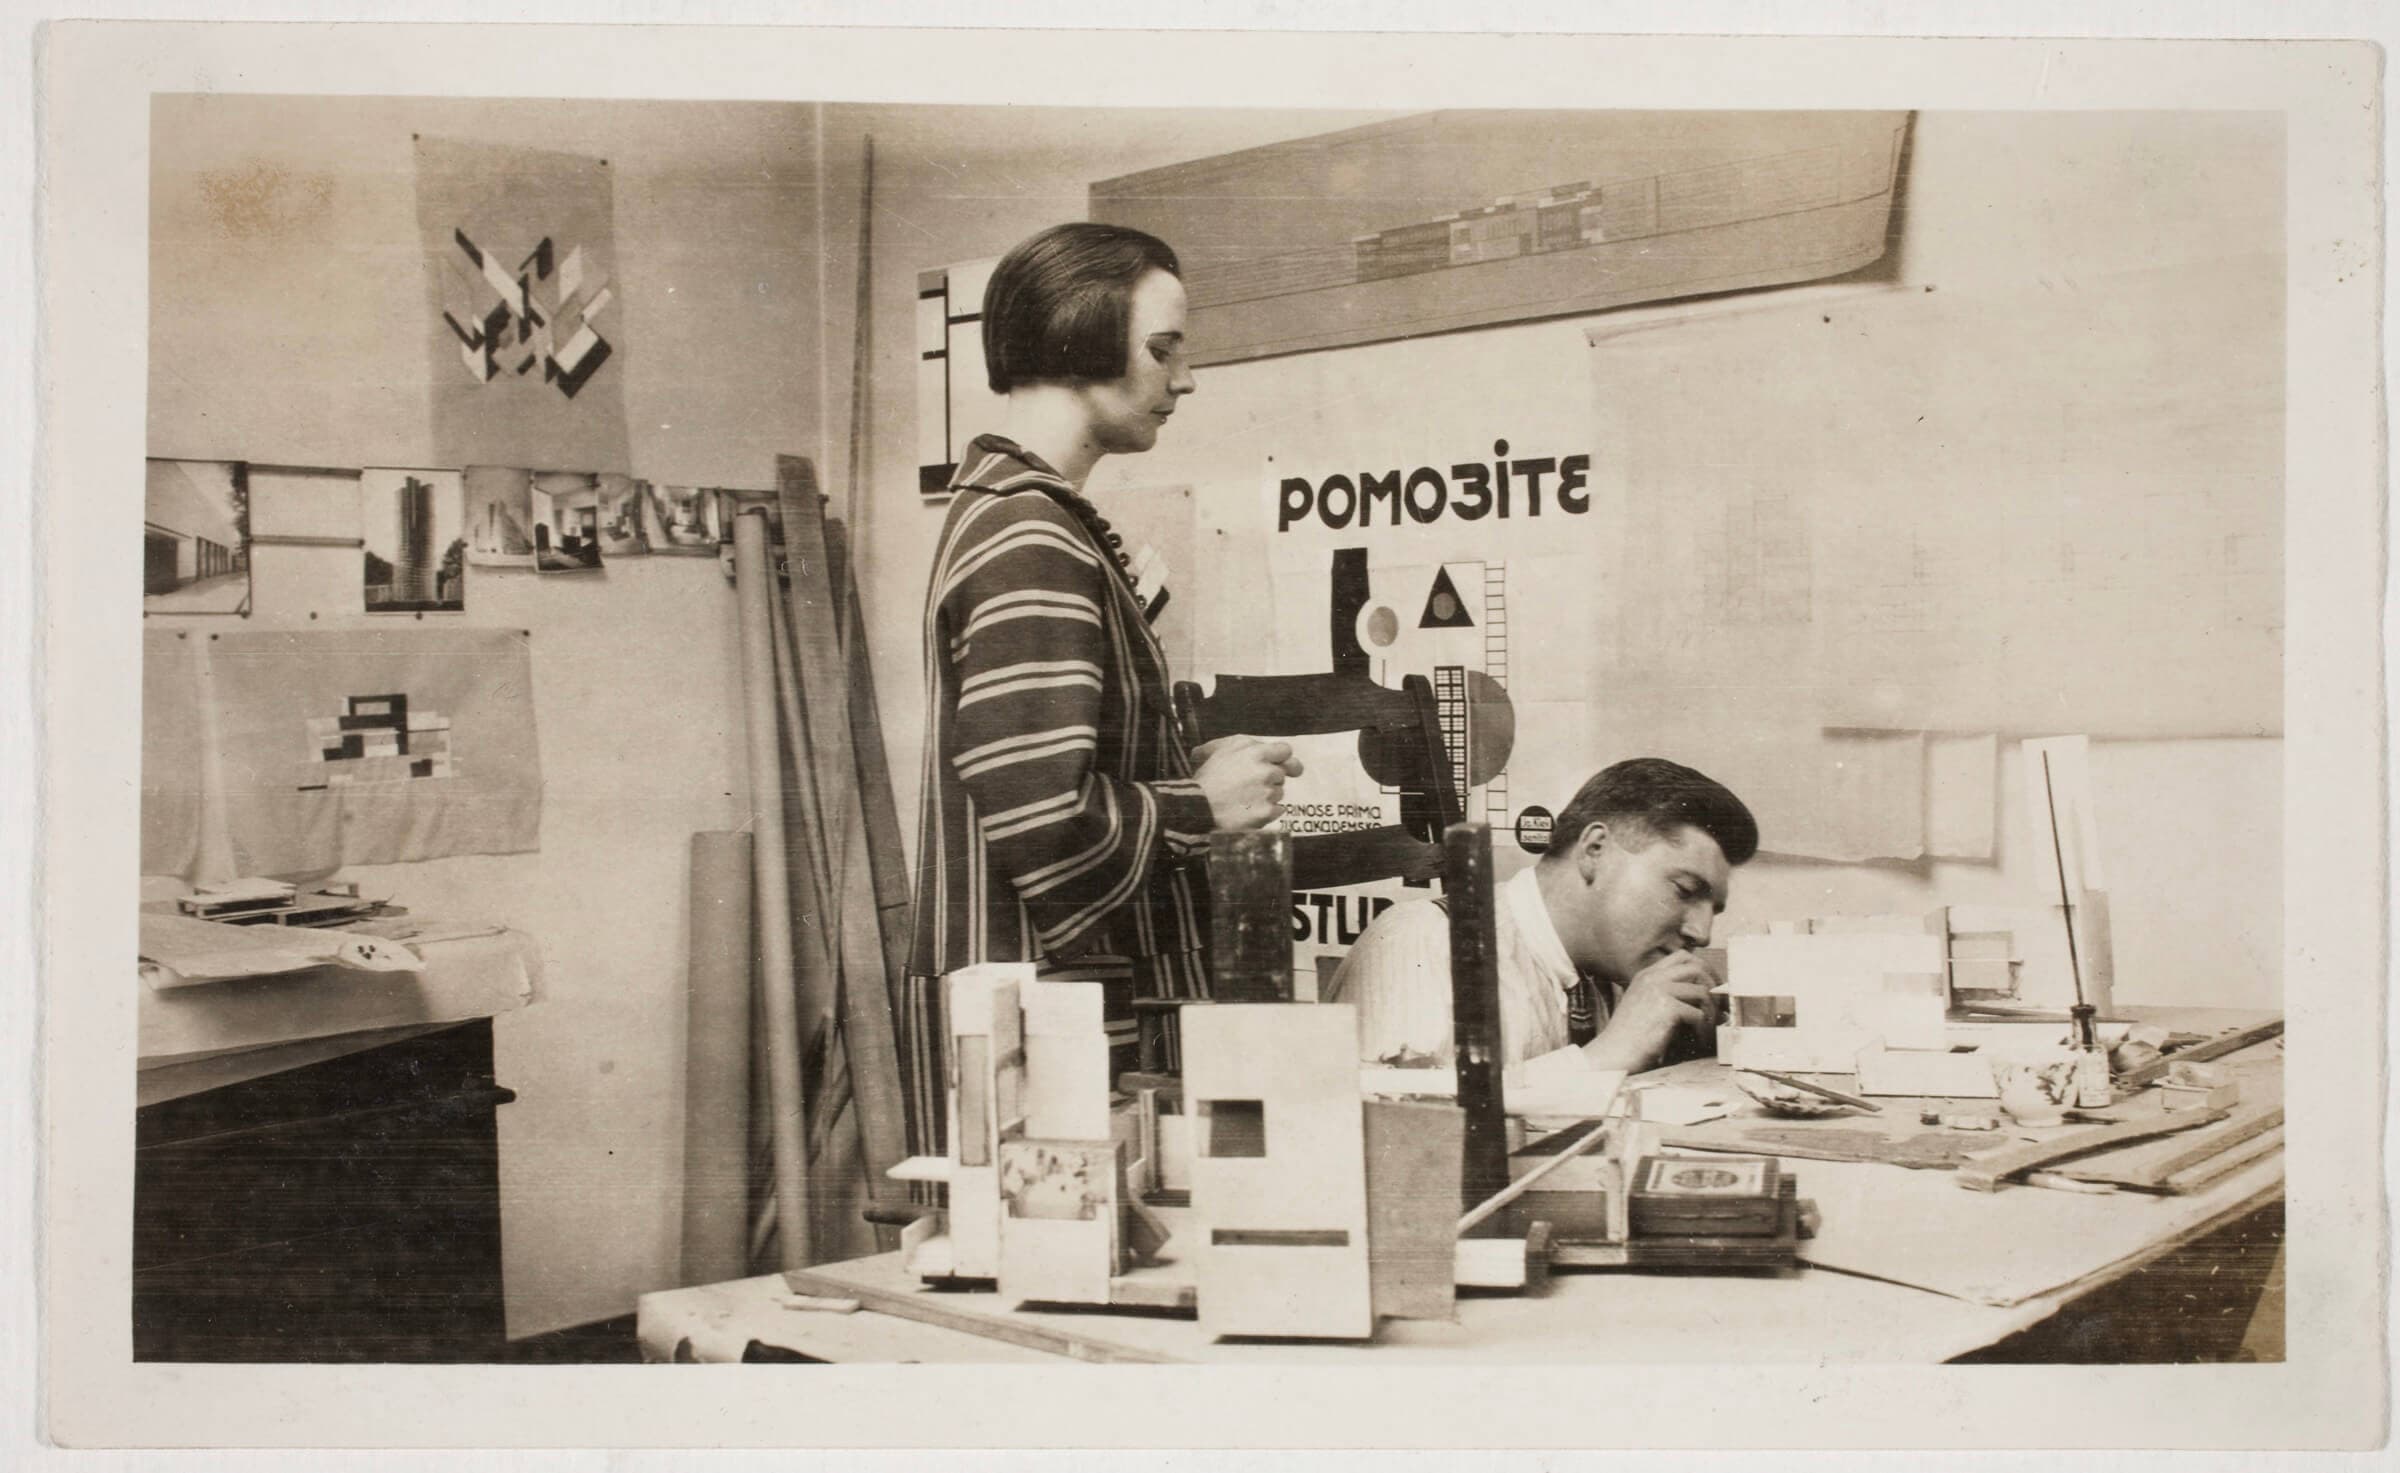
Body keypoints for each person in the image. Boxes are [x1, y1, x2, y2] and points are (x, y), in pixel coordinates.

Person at [904, 222, 1301, 1154]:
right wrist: (1198, 805)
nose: (1185, 377)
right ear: (1081, 339)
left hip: (1046, 1022)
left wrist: (1175, 763)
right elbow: (1043, 823)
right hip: (1048, 1039)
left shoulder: (1026, 517)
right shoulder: (1034, 537)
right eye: (1163, 349)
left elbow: (1037, 768)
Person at [1332, 758, 1759, 1075]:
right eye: (1685, 891)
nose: (1701, 932)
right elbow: (1388, 1152)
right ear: (1595, 851)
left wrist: (1688, 1047)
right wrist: (1607, 1056)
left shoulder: (1606, 975)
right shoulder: (1418, 942)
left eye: (1713, 909)